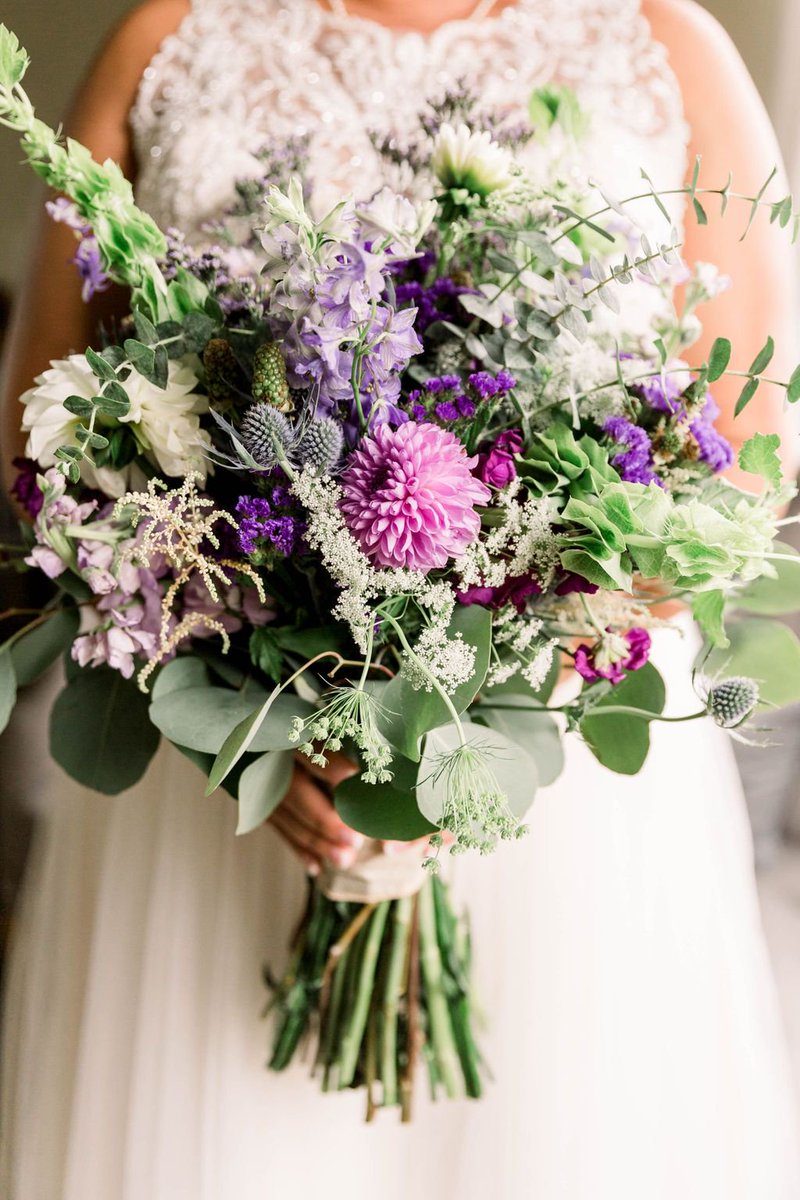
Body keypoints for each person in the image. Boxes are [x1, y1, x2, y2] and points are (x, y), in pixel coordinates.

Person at [1, 1, 799, 1196]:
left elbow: (742, 465)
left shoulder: (664, 46)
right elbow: (48, 459)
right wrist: (262, 710)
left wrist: (488, 689)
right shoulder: (164, 38)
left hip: (559, 788)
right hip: (224, 771)